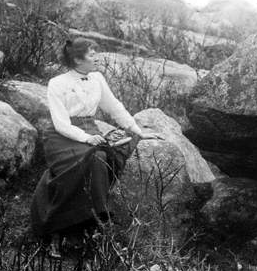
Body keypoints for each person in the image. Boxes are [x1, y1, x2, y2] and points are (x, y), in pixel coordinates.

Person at [30, 38, 164, 257]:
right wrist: (86, 138)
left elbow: (114, 107)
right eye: (92, 54)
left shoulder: (98, 79)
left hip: (90, 130)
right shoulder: (57, 83)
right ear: (77, 59)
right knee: (91, 161)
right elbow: (61, 123)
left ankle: (89, 226)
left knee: (103, 157)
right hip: (62, 136)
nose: (97, 57)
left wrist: (137, 131)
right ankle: (72, 227)